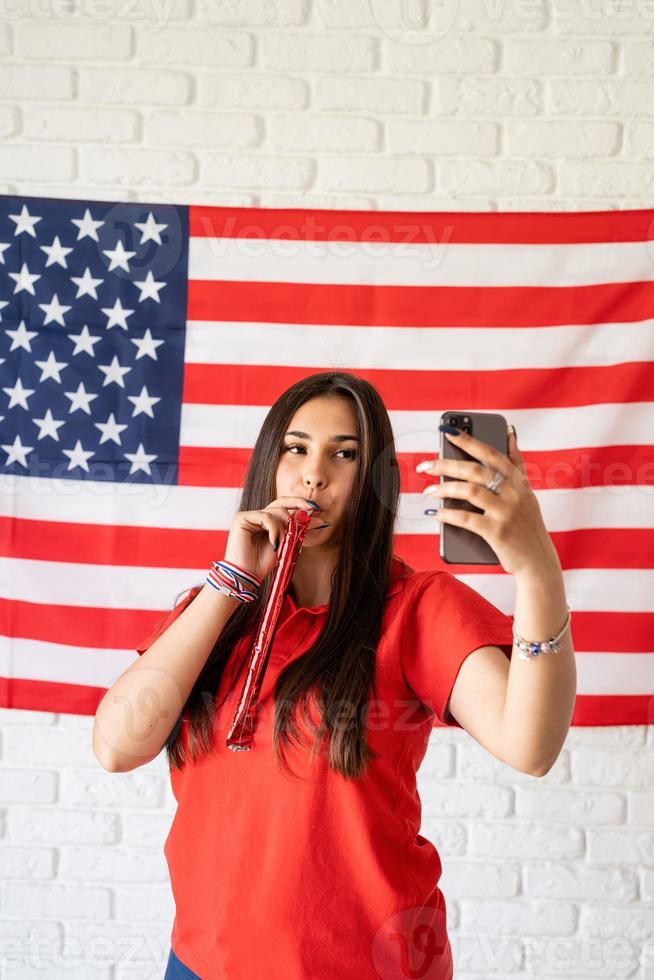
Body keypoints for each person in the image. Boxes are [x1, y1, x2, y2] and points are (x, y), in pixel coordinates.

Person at [93, 371, 574, 980]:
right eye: (296, 448)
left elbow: (530, 747)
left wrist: (537, 571)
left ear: (374, 480)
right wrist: (229, 582)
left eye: (344, 454)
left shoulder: (416, 606)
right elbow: (115, 747)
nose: (313, 474)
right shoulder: (214, 609)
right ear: (270, 463)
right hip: (201, 962)